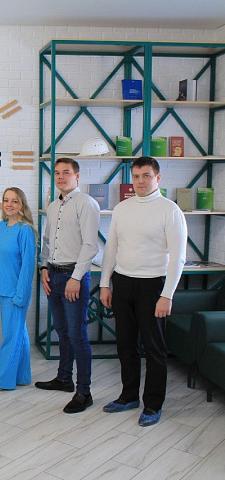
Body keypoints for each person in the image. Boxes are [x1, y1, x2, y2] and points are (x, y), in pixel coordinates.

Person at [100, 156, 187, 427]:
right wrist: (105, 283)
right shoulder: (122, 208)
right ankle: (128, 396)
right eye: (136, 176)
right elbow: (111, 248)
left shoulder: (170, 210)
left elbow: (178, 257)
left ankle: (152, 404)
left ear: (157, 178)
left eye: (146, 176)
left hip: (153, 285)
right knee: (125, 344)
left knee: (154, 348)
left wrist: (167, 294)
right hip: (123, 282)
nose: (140, 181)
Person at [36, 157, 100, 414]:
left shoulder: (86, 203)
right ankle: (64, 378)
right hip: (53, 274)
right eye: (57, 173)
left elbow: (90, 246)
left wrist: (76, 277)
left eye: (66, 172)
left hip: (74, 276)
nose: (61, 177)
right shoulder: (53, 206)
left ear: (77, 176)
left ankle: (84, 392)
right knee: (62, 332)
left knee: (77, 335)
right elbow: (47, 241)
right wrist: (43, 268)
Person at [0, 188, 36, 395]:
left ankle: (0, 379)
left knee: (11, 336)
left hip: (15, 292)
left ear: (22, 205)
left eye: (15, 201)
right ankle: (21, 376)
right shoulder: (1, 226)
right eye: (6, 200)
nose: (9, 204)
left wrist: (21, 295)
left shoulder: (25, 230)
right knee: (19, 333)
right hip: (1, 289)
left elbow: (28, 266)